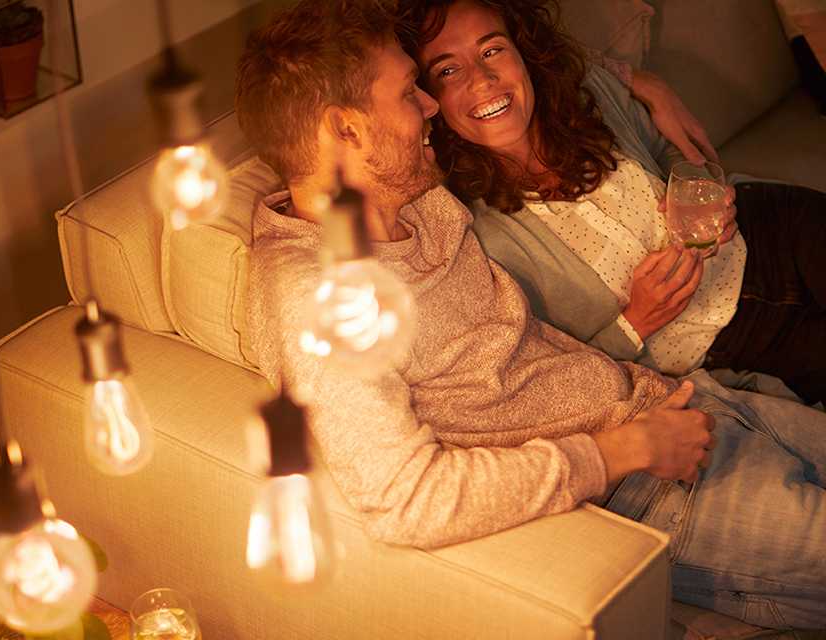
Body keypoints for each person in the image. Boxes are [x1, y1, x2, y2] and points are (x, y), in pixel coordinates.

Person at [235, 0, 826, 628]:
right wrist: (619, 451)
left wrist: (638, 82)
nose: (434, 106)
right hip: (646, 485)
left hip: (688, 403)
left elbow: (514, 70)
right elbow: (404, 500)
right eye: (413, 91)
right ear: (347, 131)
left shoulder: (413, 202)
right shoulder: (317, 303)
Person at [399, 0, 826, 405]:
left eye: (492, 49)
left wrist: (700, 193)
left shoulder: (584, 93)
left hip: (767, 230)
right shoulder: (474, 236)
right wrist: (635, 322)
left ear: (522, 52)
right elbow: (545, 379)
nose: (482, 79)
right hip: (728, 343)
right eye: (449, 70)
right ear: (426, 100)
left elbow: (672, 150)